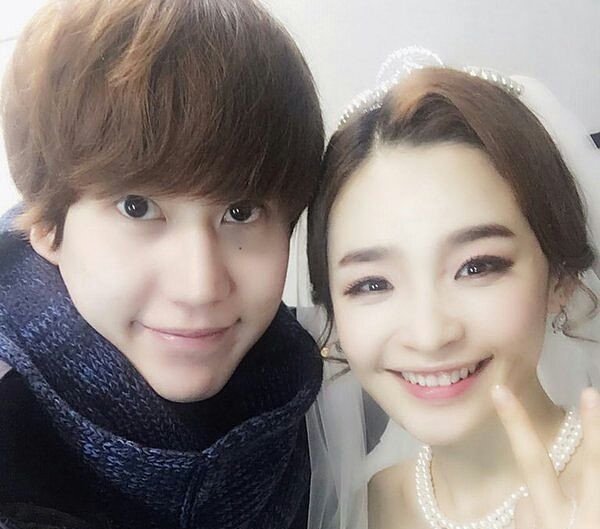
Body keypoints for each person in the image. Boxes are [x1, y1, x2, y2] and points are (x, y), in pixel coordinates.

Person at [0, 1, 324, 528]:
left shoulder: (323, 403)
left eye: (241, 212)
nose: (200, 287)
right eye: (138, 207)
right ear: (48, 225)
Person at [303, 50, 600, 529]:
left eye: (477, 267)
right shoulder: (369, 503)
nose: (429, 334)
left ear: (559, 277)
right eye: (373, 283)